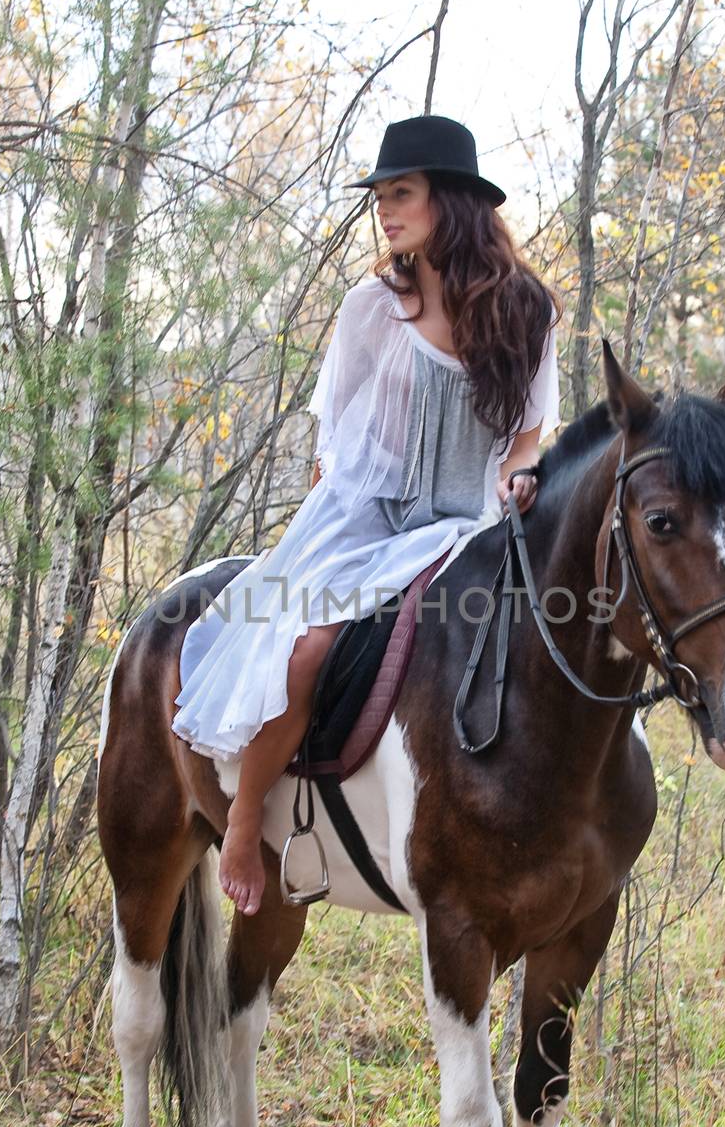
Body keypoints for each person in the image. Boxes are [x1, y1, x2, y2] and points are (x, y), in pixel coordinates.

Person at [171, 114, 561, 915]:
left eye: (402, 193)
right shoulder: (370, 307)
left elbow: (526, 436)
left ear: (448, 201)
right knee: (307, 646)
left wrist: (519, 480)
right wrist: (324, 540)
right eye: (380, 197)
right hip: (361, 517)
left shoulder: (527, 311)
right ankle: (245, 821)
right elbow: (333, 440)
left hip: (464, 523)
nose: (385, 211)